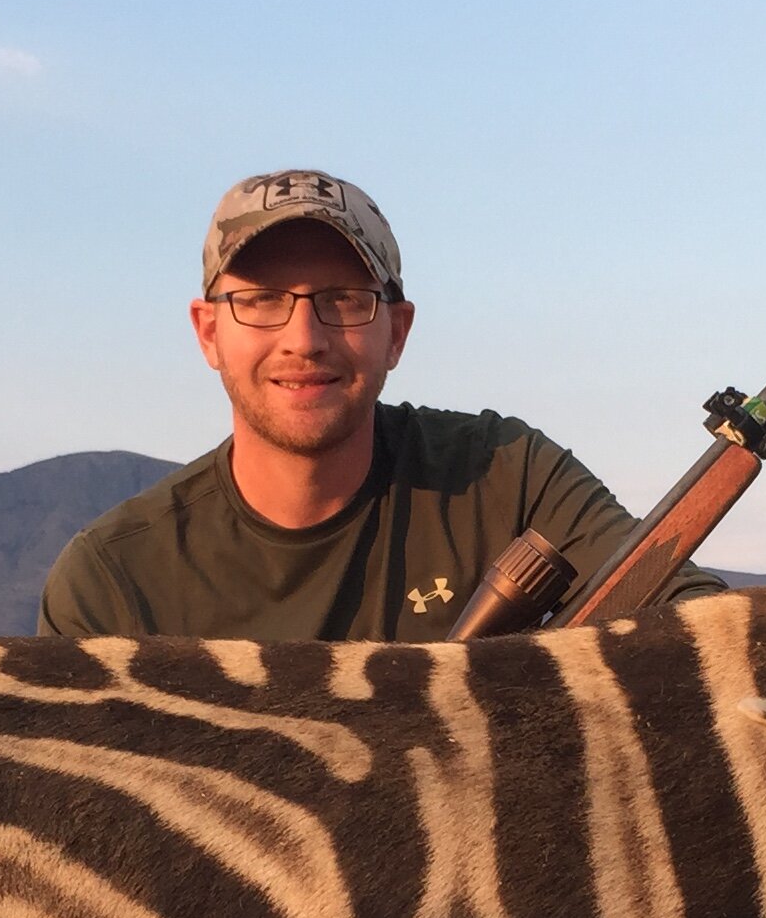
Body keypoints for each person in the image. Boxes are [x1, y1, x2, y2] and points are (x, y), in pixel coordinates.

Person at [37, 170, 721, 639]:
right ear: (209, 332)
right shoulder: (111, 584)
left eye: (344, 301)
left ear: (397, 331)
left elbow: (701, 622)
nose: (304, 340)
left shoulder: (508, 477)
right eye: (261, 301)